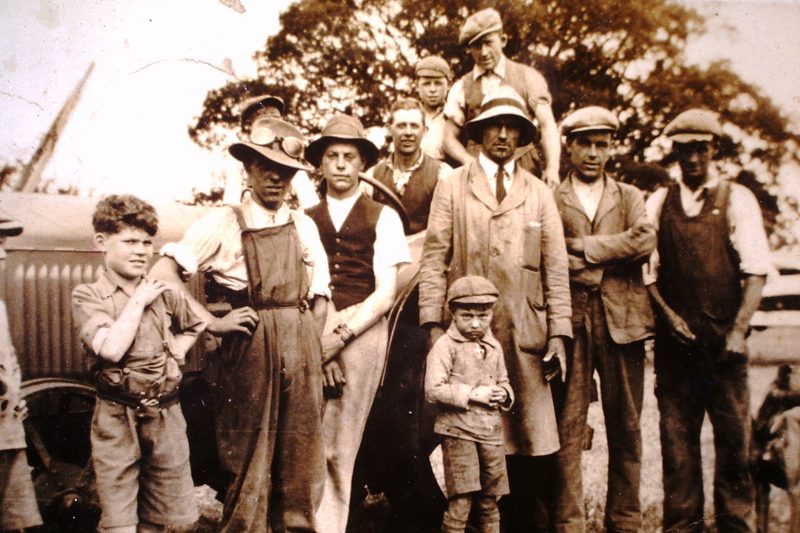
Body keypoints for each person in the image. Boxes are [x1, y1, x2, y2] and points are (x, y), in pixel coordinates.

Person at [150, 118, 330, 532]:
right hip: (249, 347)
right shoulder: (224, 221)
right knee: (248, 460)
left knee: (301, 461)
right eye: (265, 167)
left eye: (285, 171)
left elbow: (321, 297)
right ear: (247, 169)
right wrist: (212, 322)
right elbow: (163, 273)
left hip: (301, 347)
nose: (275, 178)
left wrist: (308, 348)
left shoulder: (304, 225)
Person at [419, 85, 572, 531]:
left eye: (513, 128)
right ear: (479, 133)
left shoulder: (539, 192)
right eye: (494, 127)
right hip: (467, 336)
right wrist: (433, 327)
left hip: (525, 334)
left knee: (528, 440)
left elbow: (555, 268)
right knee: (469, 437)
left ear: (523, 136)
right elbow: (433, 260)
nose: (503, 135)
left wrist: (559, 333)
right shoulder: (452, 187)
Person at [644, 108, 771, 532]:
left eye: (700, 150)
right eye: (684, 151)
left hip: (725, 353)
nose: (693, 159)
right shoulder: (659, 201)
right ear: (674, 153)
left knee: (736, 455)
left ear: (713, 149)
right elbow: (647, 275)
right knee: (678, 457)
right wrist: (667, 318)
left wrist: (737, 332)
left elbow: (755, 272)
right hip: (676, 356)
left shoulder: (737, 199)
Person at [71, 195, 204, 533]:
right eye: (130, 241)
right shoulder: (88, 296)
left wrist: (179, 346)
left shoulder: (166, 292)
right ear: (101, 243)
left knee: (166, 520)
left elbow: (195, 322)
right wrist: (140, 299)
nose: (142, 250)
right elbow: (112, 350)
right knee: (119, 521)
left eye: (148, 242)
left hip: (165, 416)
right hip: (117, 418)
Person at [304, 114, 411, 533]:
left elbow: (386, 293)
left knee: (338, 445)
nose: (341, 164)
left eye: (350, 156)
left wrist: (340, 338)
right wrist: (320, 344)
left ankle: (328, 526)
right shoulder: (303, 216)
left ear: (362, 162)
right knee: (305, 437)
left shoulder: (383, 217)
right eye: (332, 156)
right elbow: (301, 287)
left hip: (363, 328)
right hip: (313, 327)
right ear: (321, 164)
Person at [552, 106, 656, 532]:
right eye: (585, 144)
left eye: (602, 144)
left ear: (611, 147)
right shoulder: (551, 197)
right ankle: (568, 523)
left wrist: (587, 250)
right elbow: (552, 257)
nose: (594, 153)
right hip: (572, 323)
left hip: (624, 323)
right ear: (570, 147)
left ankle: (625, 522)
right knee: (568, 430)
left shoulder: (630, 196)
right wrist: (610, 254)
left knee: (626, 429)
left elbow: (645, 240)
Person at [425, 275, 514, 533]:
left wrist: (503, 393)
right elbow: (433, 389)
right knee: (461, 501)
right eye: (467, 316)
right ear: (453, 313)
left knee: (489, 501)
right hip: (459, 432)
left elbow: (504, 380)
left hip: (490, 434)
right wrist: (474, 394)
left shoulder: (493, 345)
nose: (476, 323)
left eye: (483, 316)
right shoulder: (445, 347)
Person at [442, 7, 561, 187]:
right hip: (478, 171)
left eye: (489, 43)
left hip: (523, 167)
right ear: (469, 49)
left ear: (503, 40)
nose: (483, 52)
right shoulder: (461, 86)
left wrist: (552, 168)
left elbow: (547, 125)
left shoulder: (528, 77)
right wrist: (468, 162)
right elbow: (449, 138)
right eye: (476, 46)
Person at [0, 216, 43, 533]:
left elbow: (7, 363)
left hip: (5, 434)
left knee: (12, 519)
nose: (3, 255)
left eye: (2, 245)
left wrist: (14, 398)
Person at [365, 97, 452, 234]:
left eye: (414, 126)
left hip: (425, 253)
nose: (408, 133)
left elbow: (447, 227)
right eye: (401, 126)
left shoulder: (442, 173)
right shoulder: (371, 176)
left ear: (424, 131)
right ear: (389, 129)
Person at [235, 93, 320, 209]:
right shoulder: (238, 161)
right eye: (265, 120)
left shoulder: (289, 159)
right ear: (250, 126)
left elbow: (311, 203)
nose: (273, 125)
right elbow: (230, 204)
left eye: (277, 119)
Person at [415, 55, 452, 161]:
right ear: (417, 86)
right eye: (426, 84)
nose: (432, 89)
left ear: (448, 85)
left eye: (438, 84)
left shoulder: (454, 116)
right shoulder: (411, 115)